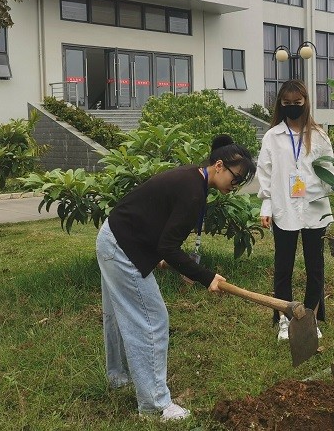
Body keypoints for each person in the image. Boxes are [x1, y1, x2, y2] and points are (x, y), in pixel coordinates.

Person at [96, 134, 255, 421]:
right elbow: (169, 247)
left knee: (118, 314)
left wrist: (167, 260)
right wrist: (206, 276)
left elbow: (155, 220)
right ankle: (155, 405)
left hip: (114, 237)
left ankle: (118, 377)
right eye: (236, 178)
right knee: (153, 321)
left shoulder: (191, 178)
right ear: (219, 165)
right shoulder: (193, 192)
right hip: (122, 248)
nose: (236, 186)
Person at [257, 79, 334, 341]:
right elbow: (265, 173)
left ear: (306, 103)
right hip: (284, 208)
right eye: (287, 103)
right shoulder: (273, 137)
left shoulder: (319, 136)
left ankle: (311, 318)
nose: (292, 106)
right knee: (283, 267)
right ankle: (284, 318)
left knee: (315, 267)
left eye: (297, 103)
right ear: (280, 104)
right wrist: (266, 206)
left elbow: (329, 168)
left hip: (315, 208)